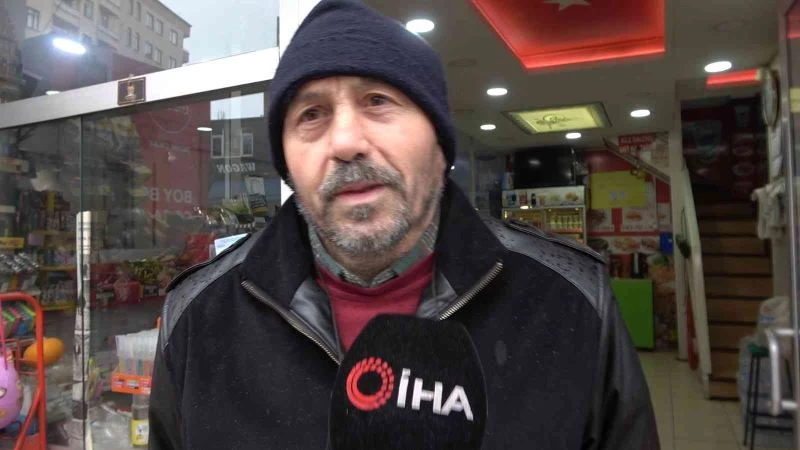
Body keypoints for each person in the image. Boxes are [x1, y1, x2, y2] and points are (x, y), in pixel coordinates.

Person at [149, 0, 659, 448]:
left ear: (440, 145)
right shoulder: (196, 318)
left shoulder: (570, 300)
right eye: (311, 115)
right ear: (286, 162)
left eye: (378, 101)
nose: (345, 141)